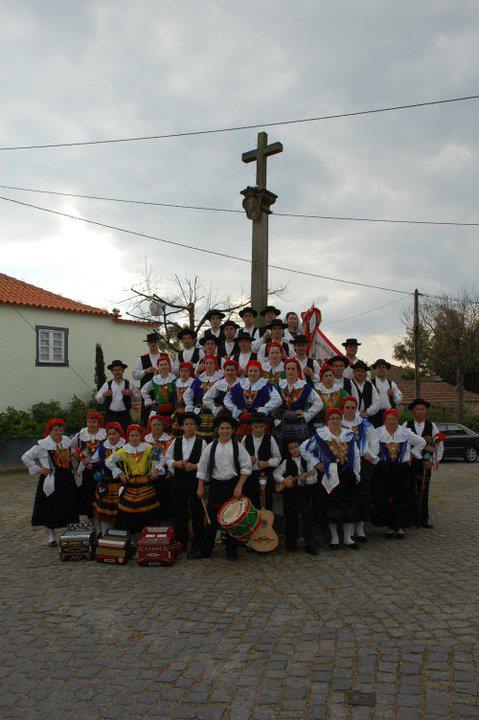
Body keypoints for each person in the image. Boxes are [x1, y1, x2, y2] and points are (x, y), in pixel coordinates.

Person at [193, 415, 252, 561]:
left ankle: (231, 551)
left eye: (227, 428)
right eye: (222, 428)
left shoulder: (238, 446)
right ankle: (206, 550)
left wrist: (239, 485)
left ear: (232, 430)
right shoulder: (210, 447)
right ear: (217, 430)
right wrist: (200, 487)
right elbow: (202, 467)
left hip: (232, 486)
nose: (225, 431)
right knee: (212, 520)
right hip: (215, 486)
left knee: (232, 520)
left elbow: (246, 468)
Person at [302, 407, 360, 550]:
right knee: (332, 507)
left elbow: (356, 455)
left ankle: (347, 538)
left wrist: (357, 473)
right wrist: (316, 462)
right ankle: (334, 537)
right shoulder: (321, 435)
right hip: (330, 473)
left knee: (348, 507)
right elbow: (304, 449)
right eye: (332, 418)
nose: (335, 421)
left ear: (341, 420)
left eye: (337, 418)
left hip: (347, 474)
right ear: (327, 421)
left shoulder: (349, 435)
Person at [21, 418, 80, 546]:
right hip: (51, 479)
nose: (59, 432)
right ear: (50, 431)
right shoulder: (42, 445)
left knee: (68, 505)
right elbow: (26, 456)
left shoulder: (66, 441)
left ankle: (69, 534)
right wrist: (39, 469)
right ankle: (52, 536)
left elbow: (73, 453)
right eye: (56, 430)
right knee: (51, 507)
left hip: (66, 478)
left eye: (61, 429)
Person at [374, 408, 426, 538]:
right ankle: (390, 527)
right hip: (385, 470)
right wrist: (376, 457)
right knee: (387, 498)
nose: (391, 421)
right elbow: (370, 447)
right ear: (385, 420)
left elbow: (422, 442)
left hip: (401, 470)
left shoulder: (405, 433)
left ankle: (400, 527)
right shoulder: (377, 433)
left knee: (401, 499)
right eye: (389, 419)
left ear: (398, 420)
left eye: (394, 419)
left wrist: (412, 455)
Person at [105, 424, 164, 535]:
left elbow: (162, 458)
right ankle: (132, 539)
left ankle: (148, 538)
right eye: (132, 435)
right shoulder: (123, 450)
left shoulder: (148, 447)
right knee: (128, 511)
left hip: (146, 484)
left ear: (141, 436)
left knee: (148, 512)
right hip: (131, 485)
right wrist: (119, 472)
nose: (134, 438)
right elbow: (108, 461)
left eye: (137, 435)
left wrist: (156, 469)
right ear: (128, 437)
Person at [165, 412, 207, 556]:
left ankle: (198, 544)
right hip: (179, 479)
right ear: (182, 427)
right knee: (179, 510)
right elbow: (167, 458)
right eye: (186, 424)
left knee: (197, 511)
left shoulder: (202, 442)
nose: (189, 427)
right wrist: (175, 463)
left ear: (196, 427)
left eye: (192, 424)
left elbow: (205, 461)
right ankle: (180, 542)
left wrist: (195, 466)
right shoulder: (175, 441)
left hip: (195, 479)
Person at [340, 396, 379, 542]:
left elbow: (374, 440)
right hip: (345, 463)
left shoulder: (364, 423)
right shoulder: (338, 422)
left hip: (363, 462)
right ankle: (347, 531)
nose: (350, 410)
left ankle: (360, 529)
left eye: (352, 407)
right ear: (343, 409)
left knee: (363, 496)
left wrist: (372, 454)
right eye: (347, 407)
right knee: (349, 496)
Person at [403, 398, 444, 529]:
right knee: (409, 490)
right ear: (413, 411)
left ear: (426, 411)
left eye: (422, 409)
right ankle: (409, 519)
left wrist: (433, 461)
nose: (420, 412)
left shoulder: (432, 426)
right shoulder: (406, 425)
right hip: (410, 463)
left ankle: (423, 519)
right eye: (417, 409)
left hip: (425, 464)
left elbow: (439, 445)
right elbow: (401, 443)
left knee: (423, 491)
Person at [274, 439, 318, 555]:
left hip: (304, 492)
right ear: (288, 450)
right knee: (290, 518)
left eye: (296, 447)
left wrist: (306, 479)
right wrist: (284, 480)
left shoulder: (308, 460)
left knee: (307, 517)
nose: (294, 450)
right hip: (290, 494)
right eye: (291, 448)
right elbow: (276, 473)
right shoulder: (286, 462)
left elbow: (314, 478)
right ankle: (290, 544)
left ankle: (309, 545)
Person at [224, 360, 282, 437]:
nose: (253, 373)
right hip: (244, 420)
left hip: (260, 420)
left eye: (255, 371)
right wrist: (235, 409)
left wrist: (265, 408)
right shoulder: (241, 384)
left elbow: (278, 399)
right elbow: (227, 399)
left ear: (259, 372)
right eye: (250, 371)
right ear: (247, 372)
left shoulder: (265, 384)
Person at [274, 357, 323, 447]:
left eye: (293, 369)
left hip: (299, 425)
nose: (291, 371)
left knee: (300, 449)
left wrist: (306, 414)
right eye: (288, 369)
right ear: (285, 371)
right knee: (283, 450)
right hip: (282, 423)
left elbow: (319, 403)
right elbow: (272, 400)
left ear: (298, 371)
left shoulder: (304, 386)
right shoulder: (279, 385)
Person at [91, 421, 126, 536]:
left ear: (119, 434)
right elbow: (94, 460)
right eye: (109, 434)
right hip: (107, 483)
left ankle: (123, 535)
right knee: (106, 512)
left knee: (121, 510)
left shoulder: (125, 446)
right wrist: (90, 463)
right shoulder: (102, 446)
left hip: (122, 483)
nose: (112, 436)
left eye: (114, 433)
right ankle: (106, 536)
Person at [241, 412, 282, 510]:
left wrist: (267, 463)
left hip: (265, 475)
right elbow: (240, 458)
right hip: (249, 476)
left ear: (265, 426)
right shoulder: (246, 438)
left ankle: (267, 522)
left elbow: (278, 457)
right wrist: (248, 460)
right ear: (252, 426)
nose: (258, 429)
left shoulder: (270, 438)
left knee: (266, 501)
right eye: (256, 427)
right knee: (251, 500)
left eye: (261, 426)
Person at [71, 412, 106, 524]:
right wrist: (80, 459)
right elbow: (71, 447)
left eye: (94, 422)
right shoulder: (80, 435)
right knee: (88, 495)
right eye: (89, 422)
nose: (91, 424)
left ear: (98, 423)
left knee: (101, 495)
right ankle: (91, 523)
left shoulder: (104, 434)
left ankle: (103, 522)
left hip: (100, 469)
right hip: (85, 469)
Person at [185, 354, 223, 442]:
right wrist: (190, 407)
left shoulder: (221, 378)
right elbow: (187, 394)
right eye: (206, 363)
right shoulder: (199, 379)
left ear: (215, 365)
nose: (208, 365)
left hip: (215, 412)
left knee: (214, 438)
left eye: (211, 363)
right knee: (199, 438)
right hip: (201, 412)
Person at [144, 414, 173, 518]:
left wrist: (170, 472)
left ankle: (164, 521)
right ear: (150, 426)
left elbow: (171, 457)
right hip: (147, 472)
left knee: (164, 498)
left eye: (159, 424)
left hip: (164, 473)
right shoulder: (144, 440)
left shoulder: (169, 440)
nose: (157, 426)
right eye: (154, 424)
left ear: (163, 426)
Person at [132, 332, 162, 426]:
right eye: (151, 342)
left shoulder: (166, 356)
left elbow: (173, 372)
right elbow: (134, 375)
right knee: (146, 417)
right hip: (147, 394)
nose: (153, 344)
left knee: (162, 416)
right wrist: (146, 371)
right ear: (148, 344)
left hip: (163, 391)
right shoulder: (142, 358)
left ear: (157, 343)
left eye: (155, 342)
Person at [96, 360, 134, 431]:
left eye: (119, 370)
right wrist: (104, 395)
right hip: (110, 416)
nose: (117, 372)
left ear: (123, 371)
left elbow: (137, 398)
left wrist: (131, 394)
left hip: (125, 416)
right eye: (115, 370)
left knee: (125, 436)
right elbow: (99, 400)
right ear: (112, 372)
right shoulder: (107, 384)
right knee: (110, 437)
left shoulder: (129, 384)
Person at [141, 354, 177, 427]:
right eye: (161, 365)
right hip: (158, 408)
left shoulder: (174, 379)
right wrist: (148, 399)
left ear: (169, 366)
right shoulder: (155, 380)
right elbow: (144, 390)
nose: (163, 366)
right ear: (158, 367)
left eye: (165, 364)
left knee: (170, 428)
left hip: (171, 408)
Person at [370, 359, 404, 428]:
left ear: (386, 370)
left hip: (390, 415)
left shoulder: (391, 384)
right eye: (379, 367)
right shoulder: (370, 384)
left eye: (383, 367)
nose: (381, 369)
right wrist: (372, 394)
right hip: (375, 415)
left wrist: (393, 394)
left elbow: (400, 399)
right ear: (375, 370)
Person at [170, 362, 196, 437]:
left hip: (188, 412)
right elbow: (174, 399)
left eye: (186, 371)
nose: (183, 373)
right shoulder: (176, 383)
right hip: (177, 412)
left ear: (190, 372)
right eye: (182, 371)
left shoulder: (193, 382)